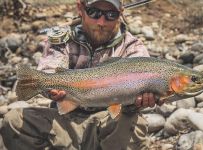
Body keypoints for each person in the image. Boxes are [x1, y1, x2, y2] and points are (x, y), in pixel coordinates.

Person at [1, 0, 161, 149]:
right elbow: (48, 72)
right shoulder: (62, 39)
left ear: (121, 14)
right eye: (94, 12)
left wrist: (140, 101)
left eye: (111, 15)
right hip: (64, 122)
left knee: (134, 123)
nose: (101, 22)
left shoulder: (133, 48)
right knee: (14, 121)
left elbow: (139, 93)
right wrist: (51, 91)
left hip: (108, 125)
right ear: (80, 9)